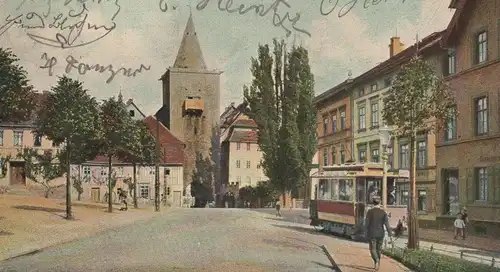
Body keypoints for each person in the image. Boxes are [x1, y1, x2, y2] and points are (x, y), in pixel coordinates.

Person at [365, 197, 392, 271]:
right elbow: (387, 224)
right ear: (379, 203)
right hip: (381, 233)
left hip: (372, 233)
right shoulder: (383, 212)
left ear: (373, 203)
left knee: (372, 249)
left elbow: (366, 223)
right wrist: (390, 233)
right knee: (379, 250)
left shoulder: (370, 212)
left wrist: (365, 232)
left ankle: (376, 260)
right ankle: (377, 263)